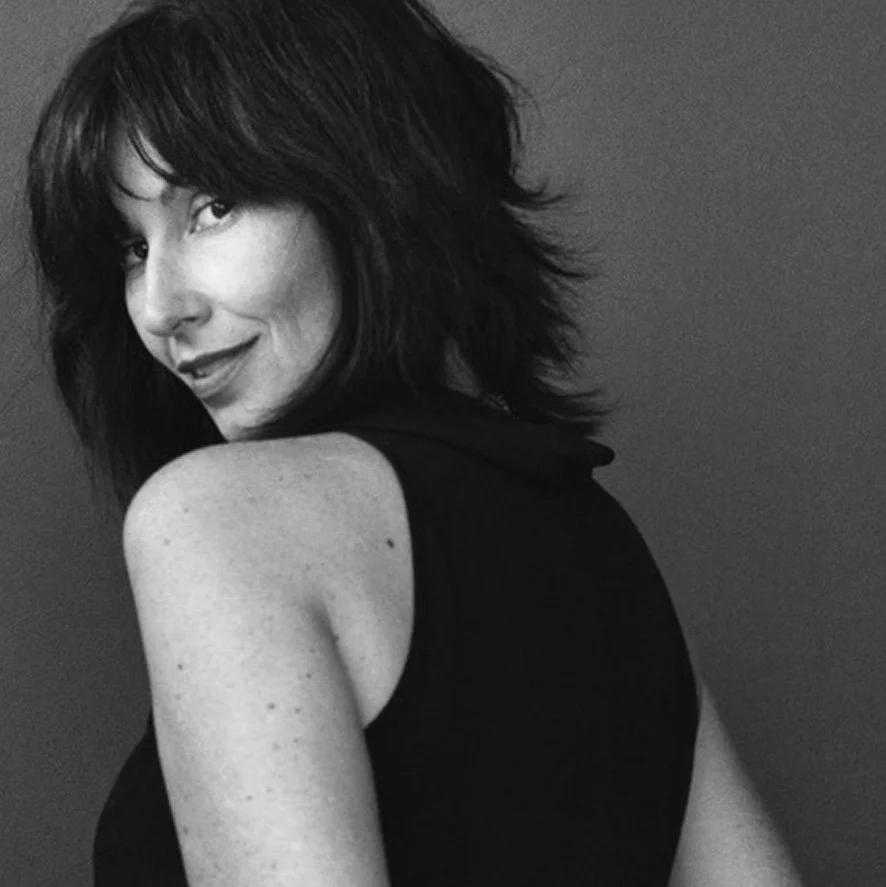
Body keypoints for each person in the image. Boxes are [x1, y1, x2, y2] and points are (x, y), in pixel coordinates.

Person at [27, 0, 803, 883]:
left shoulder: (214, 516)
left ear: (367, 181)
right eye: (131, 247)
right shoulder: (600, 536)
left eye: (213, 207)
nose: (161, 306)